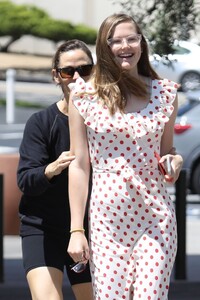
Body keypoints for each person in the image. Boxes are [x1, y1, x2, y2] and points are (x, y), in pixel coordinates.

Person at [67, 14, 183, 300]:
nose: (124, 45)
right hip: (107, 222)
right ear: (103, 47)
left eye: (131, 38)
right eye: (115, 40)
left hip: (155, 218)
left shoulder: (164, 93)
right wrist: (76, 229)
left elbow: (168, 152)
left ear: (141, 44)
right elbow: (80, 165)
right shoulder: (84, 95)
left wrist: (173, 162)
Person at [17, 39, 94, 300]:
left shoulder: (105, 122)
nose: (76, 78)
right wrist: (51, 169)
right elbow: (25, 180)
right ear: (56, 76)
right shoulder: (41, 122)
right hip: (43, 228)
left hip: (91, 228)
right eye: (67, 71)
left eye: (84, 70)